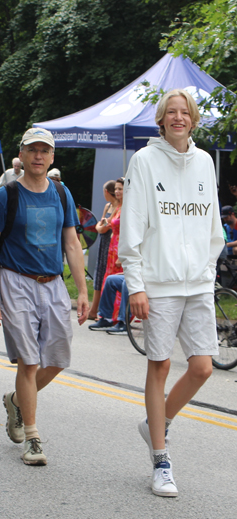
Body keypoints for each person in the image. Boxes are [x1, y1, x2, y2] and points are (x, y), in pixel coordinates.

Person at [119, 89, 224, 497]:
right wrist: (136, 286)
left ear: (193, 120)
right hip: (158, 285)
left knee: (202, 367)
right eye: (171, 113)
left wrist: (208, 270)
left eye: (185, 113)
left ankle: (154, 424)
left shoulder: (204, 162)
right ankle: (161, 460)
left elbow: (212, 227)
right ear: (161, 120)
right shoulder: (143, 161)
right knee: (158, 367)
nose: (178, 118)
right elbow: (132, 227)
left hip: (197, 283)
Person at [0, 127, 89, 466]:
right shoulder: (6, 196)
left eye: (45, 151)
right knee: (29, 360)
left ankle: (16, 400)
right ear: (22, 155)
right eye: (33, 150)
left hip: (54, 284)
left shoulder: (61, 193)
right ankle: (32, 437)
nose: (39, 156)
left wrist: (83, 289)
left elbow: (72, 242)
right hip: (16, 282)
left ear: (52, 157)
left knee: (57, 358)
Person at [89, 180, 117, 320]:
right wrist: (103, 226)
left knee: (107, 274)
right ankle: (94, 309)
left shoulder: (118, 207)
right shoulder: (108, 206)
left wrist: (103, 226)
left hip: (111, 243)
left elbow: (102, 226)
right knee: (99, 273)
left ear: (106, 192)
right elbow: (100, 227)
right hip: (104, 242)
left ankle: (101, 311)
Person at [101, 178, 124, 320]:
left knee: (118, 281)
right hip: (112, 246)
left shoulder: (128, 208)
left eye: (120, 189)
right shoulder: (117, 207)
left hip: (120, 247)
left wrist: (122, 255)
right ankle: (107, 314)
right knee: (109, 279)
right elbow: (106, 224)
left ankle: (118, 317)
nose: (116, 191)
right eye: (115, 189)